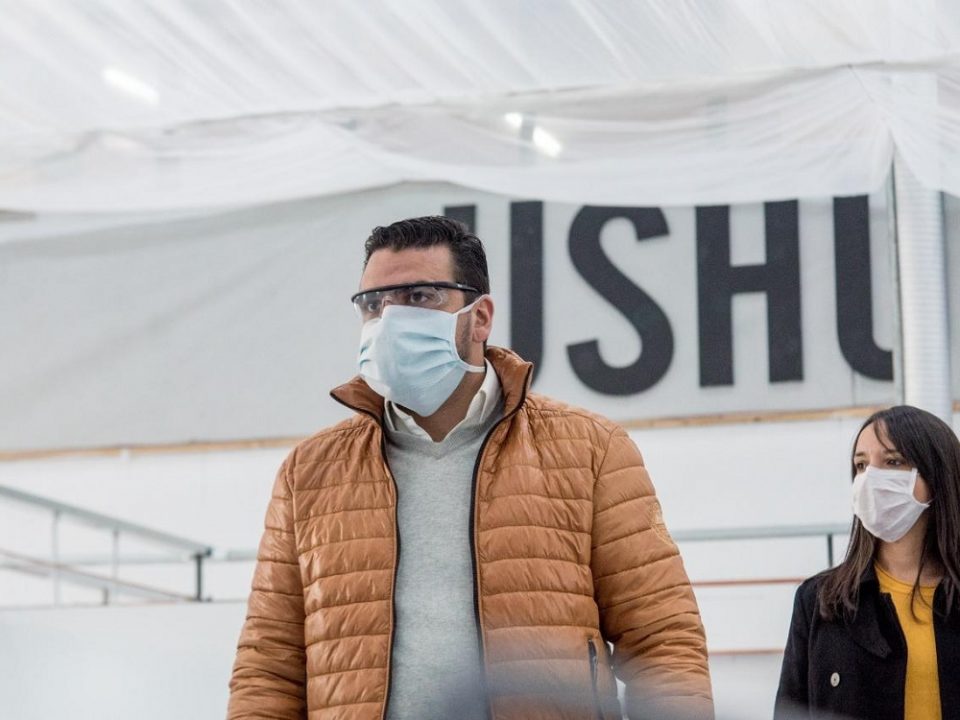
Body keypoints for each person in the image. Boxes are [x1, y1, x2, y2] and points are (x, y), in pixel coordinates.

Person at [227, 216, 713, 720]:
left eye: (419, 297)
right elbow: (269, 667)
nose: (389, 320)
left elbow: (662, 640)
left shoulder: (590, 450)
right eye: (373, 304)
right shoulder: (309, 472)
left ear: (479, 318)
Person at [775, 405, 960, 720]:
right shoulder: (820, 601)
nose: (870, 478)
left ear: (937, 474)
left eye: (893, 461)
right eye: (861, 465)